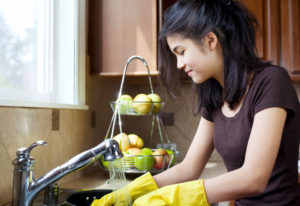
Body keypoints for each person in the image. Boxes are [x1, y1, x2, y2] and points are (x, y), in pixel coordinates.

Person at [92, 0, 300, 205]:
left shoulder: (272, 81)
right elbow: (189, 168)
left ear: (210, 41)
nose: (179, 64)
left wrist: (175, 196)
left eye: (181, 52)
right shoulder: (215, 96)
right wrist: (132, 191)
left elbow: (254, 178)